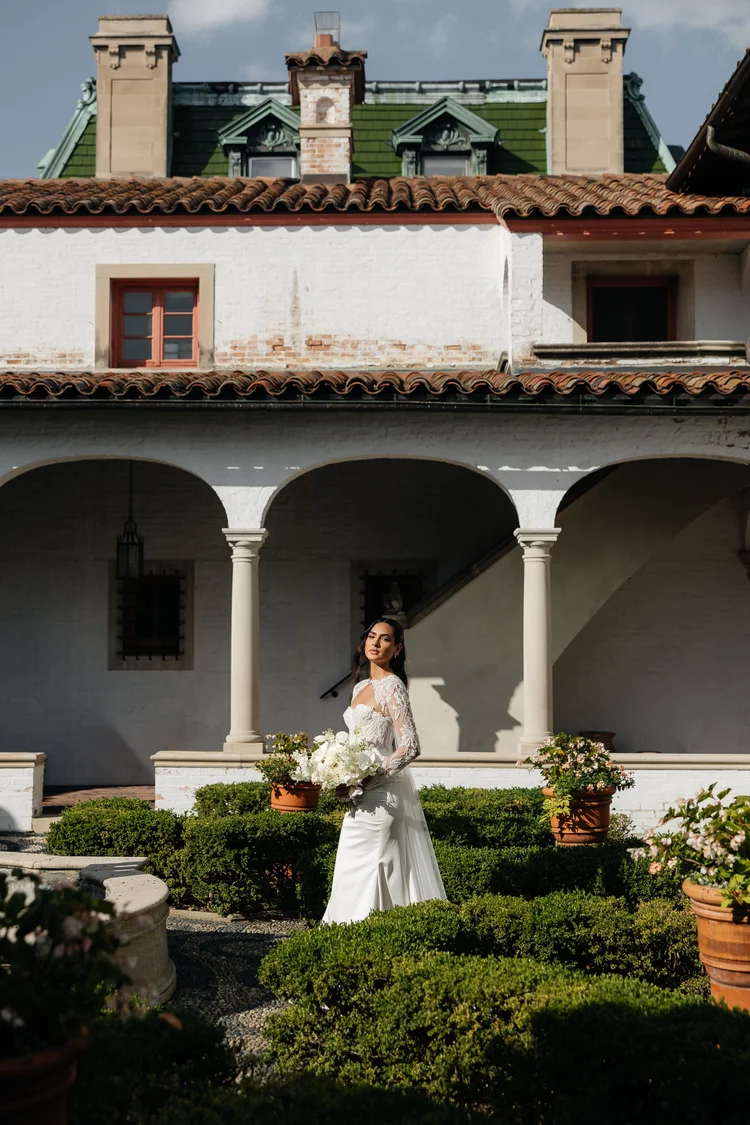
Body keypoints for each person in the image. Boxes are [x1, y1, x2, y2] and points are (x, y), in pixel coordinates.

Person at [321, 617, 446, 925]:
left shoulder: (393, 687)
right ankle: (344, 938)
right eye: (372, 636)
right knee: (351, 869)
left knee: (376, 867)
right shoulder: (361, 686)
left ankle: (376, 935)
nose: (376, 643)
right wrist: (342, 777)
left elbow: (411, 746)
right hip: (358, 797)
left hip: (382, 796)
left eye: (385, 639)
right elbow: (355, 745)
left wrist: (369, 777)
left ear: (397, 648)